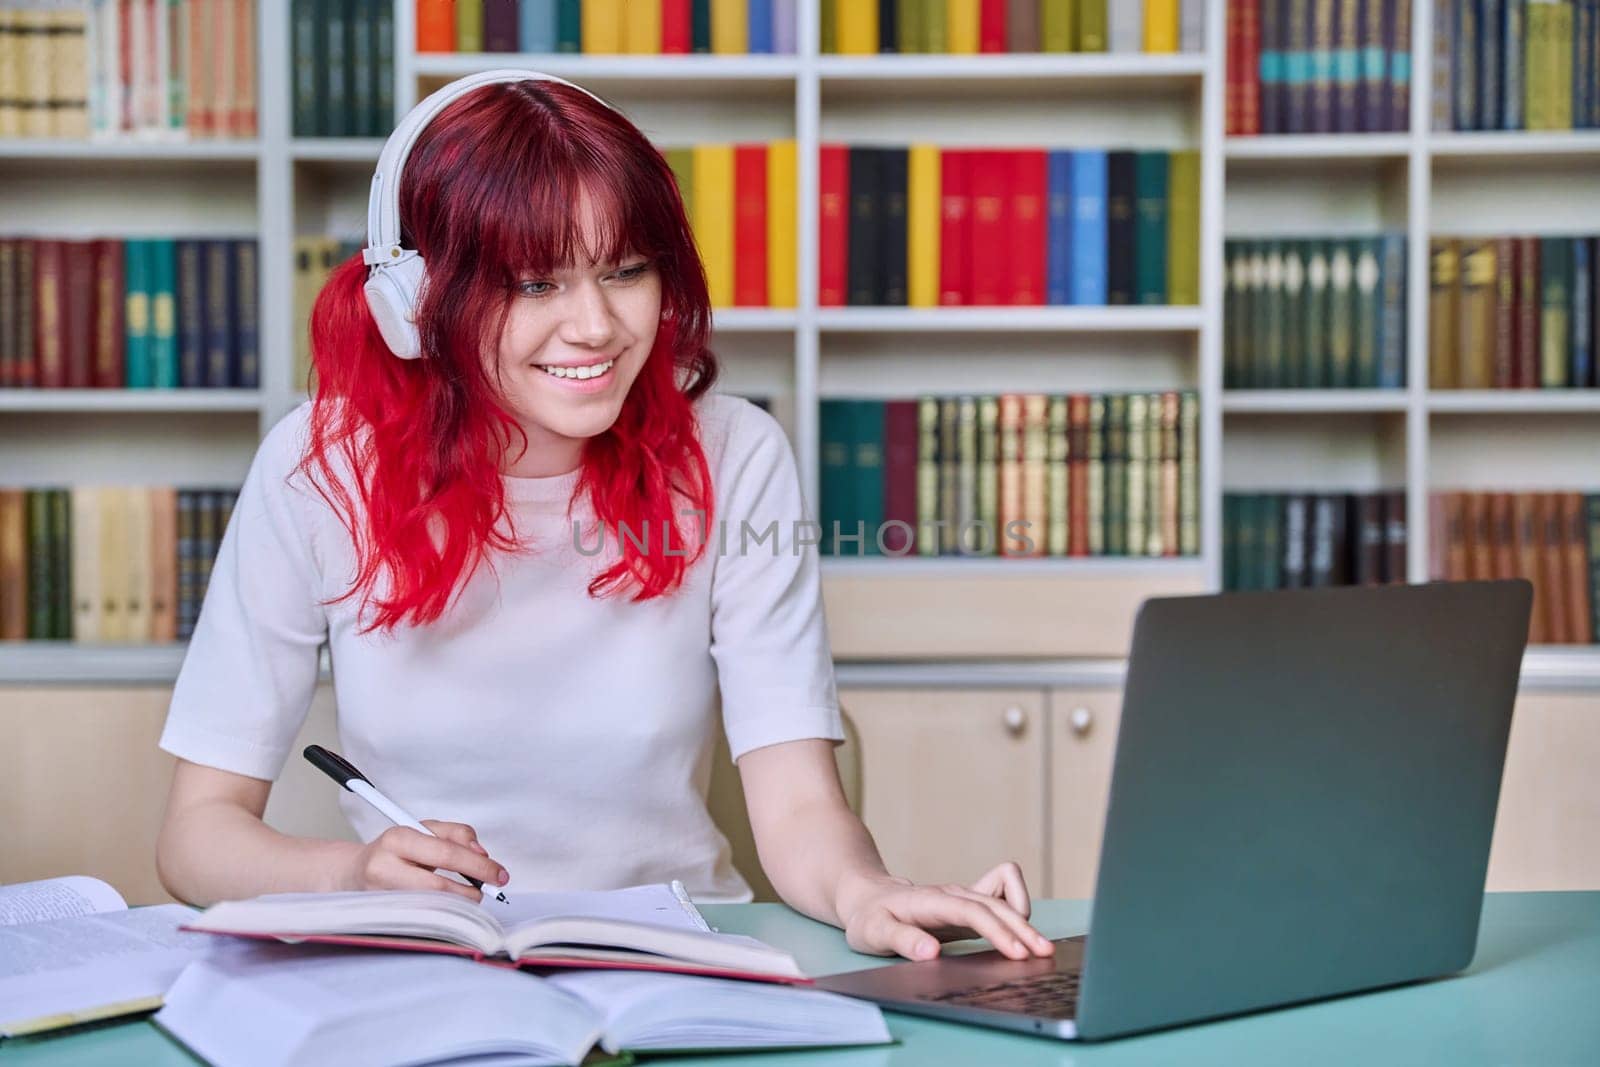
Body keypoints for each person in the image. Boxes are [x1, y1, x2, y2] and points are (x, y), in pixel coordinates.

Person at [153, 73, 1053, 964]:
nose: (596, 326)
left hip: (679, 958)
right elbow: (197, 836)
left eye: (625, 271)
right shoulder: (320, 467)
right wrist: (355, 874)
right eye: (536, 285)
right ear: (415, 301)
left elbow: (799, 805)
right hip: (423, 966)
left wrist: (871, 893)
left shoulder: (733, 456)